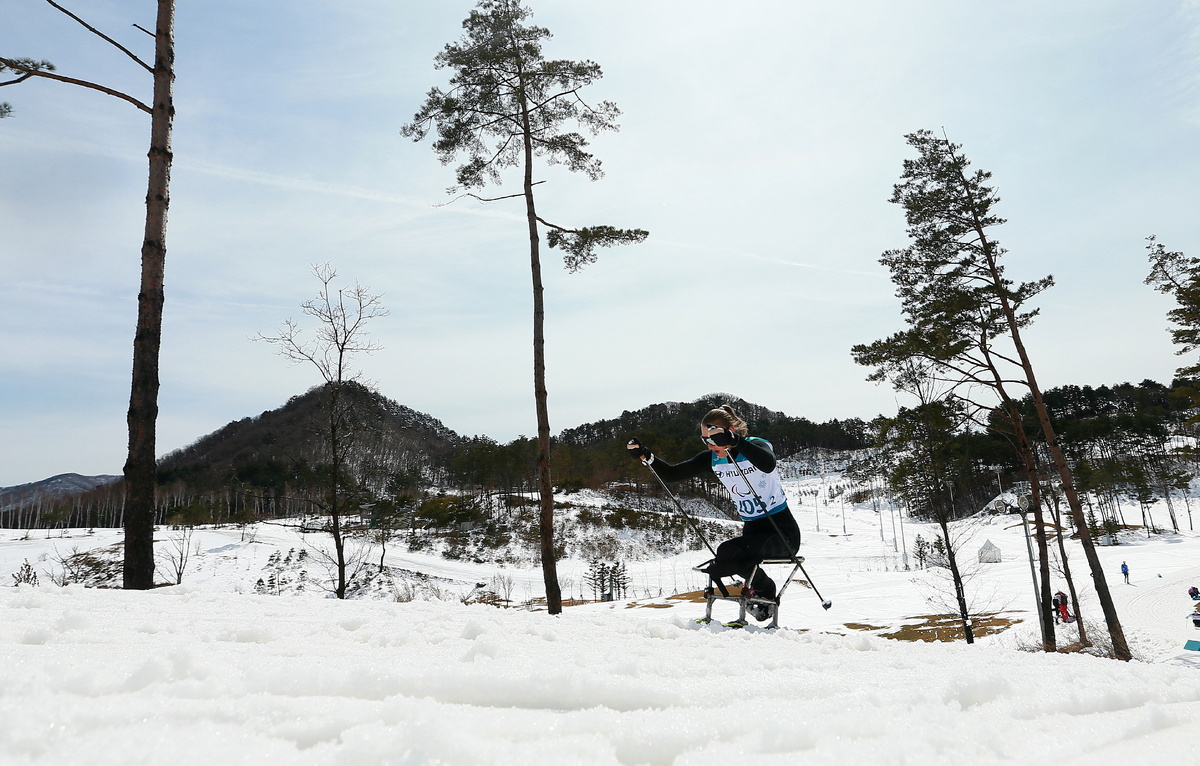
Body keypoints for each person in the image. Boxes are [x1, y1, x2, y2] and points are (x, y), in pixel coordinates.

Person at [627, 405, 800, 622]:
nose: (710, 445)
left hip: (782, 533)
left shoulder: (756, 445)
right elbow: (672, 474)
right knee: (729, 554)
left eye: (713, 439)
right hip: (753, 531)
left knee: (728, 551)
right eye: (704, 440)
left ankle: (764, 592)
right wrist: (647, 456)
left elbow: (768, 464)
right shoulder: (713, 459)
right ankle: (763, 591)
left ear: (729, 431)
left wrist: (736, 442)